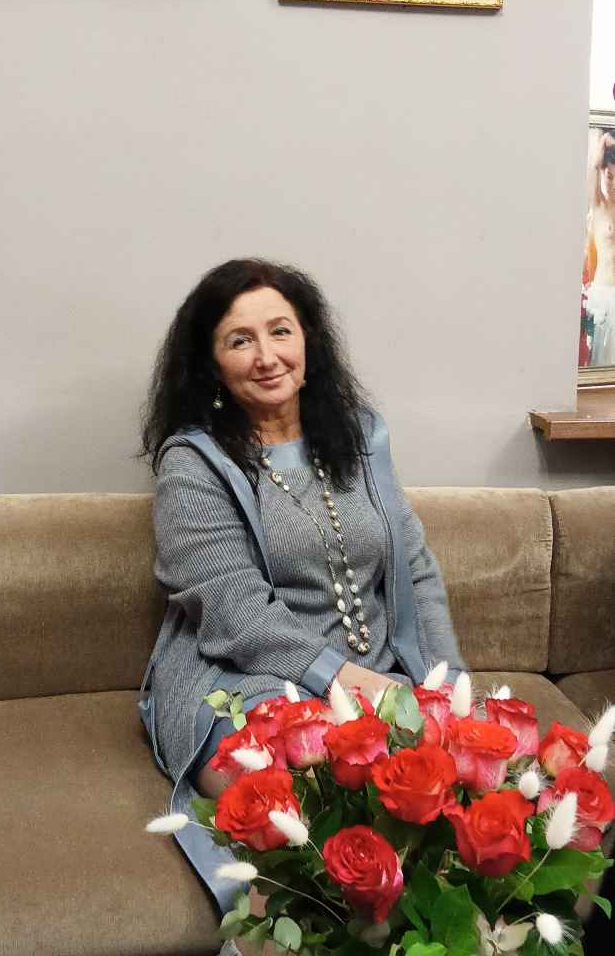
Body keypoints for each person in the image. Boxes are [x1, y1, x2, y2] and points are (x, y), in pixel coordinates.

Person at [138, 258, 465, 923]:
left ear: (308, 340)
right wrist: (353, 685)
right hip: (239, 677)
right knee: (314, 822)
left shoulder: (360, 437)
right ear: (211, 365)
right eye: (240, 340)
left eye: (280, 331)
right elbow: (233, 609)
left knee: (455, 799)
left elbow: (415, 568)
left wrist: (448, 687)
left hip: (373, 671)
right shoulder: (193, 462)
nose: (267, 356)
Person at [583, 130, 615, 366]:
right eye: (609, 176)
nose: (612, 183)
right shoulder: (598, 205)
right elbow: (593, 167)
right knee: (600, 362)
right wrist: (604, 140)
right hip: (603, 293)